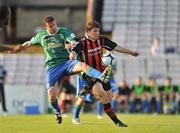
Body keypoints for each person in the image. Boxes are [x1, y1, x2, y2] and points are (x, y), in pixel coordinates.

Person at [8, 16, 111, 125]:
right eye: (50, 26)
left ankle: (100, 76)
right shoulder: (41, 36)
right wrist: (20, 48)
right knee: (52, 96)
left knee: (82, 65)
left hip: (67, 63)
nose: (53, 27)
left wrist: (72, 44)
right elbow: (29, 43)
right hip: (52, 67)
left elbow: (74, 40)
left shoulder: (64, 31)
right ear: (45, 26)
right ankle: (57, 111)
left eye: (54, 25)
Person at [70, 21, 139, 126]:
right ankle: (116, 122)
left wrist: (131, 52)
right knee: (102, 96)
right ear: (88, 32)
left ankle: (90, 96)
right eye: (94, 31)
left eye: (98, 31)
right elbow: (74, 50)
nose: (97, 33)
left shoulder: (101, 40)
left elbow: (116, 47)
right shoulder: (82, 43)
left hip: (101, 72)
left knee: (110, 96)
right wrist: (72, 53)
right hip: (88, 74)